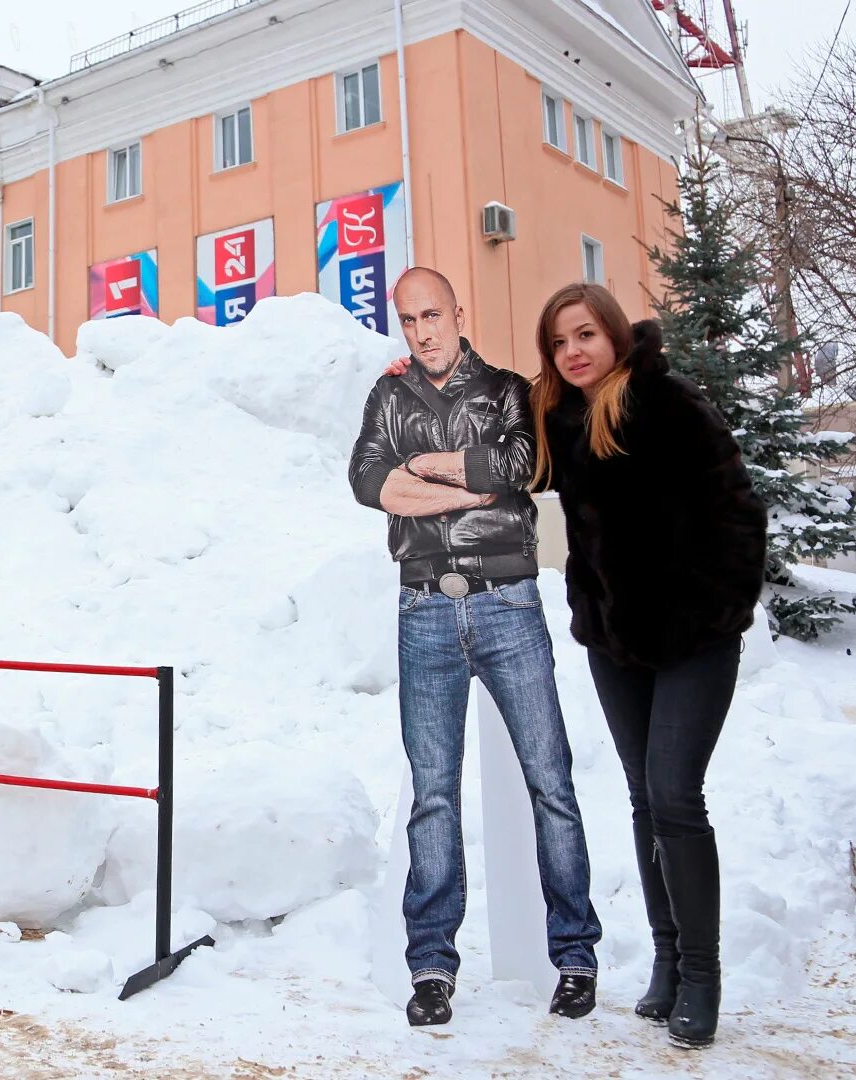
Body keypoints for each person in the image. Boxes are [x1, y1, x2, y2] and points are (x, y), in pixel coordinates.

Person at [350, 267, 601, 1028]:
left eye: (432, 314)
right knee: (433, 795)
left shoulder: (506, 392)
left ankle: (577, 958)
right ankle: (431, 969)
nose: (421, 330)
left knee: (550, 781)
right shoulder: (388, 397)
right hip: (423, 606)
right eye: (408, 319)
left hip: (508, 604)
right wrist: (465, 489)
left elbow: (518, 466)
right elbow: (370, 483)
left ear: (459, 312)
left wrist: (425, 468)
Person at [527, 283, 767, 1049]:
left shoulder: (668, 404)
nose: (573, 352)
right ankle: (666, 961)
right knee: (641, 798)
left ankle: (703, 974)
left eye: (586, 334)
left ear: (615, 337)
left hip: (694, 640)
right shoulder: (562, 420)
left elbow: (739, 511)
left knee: (674, 795)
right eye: (560, 342)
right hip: (617, 643)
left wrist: (715, 606)